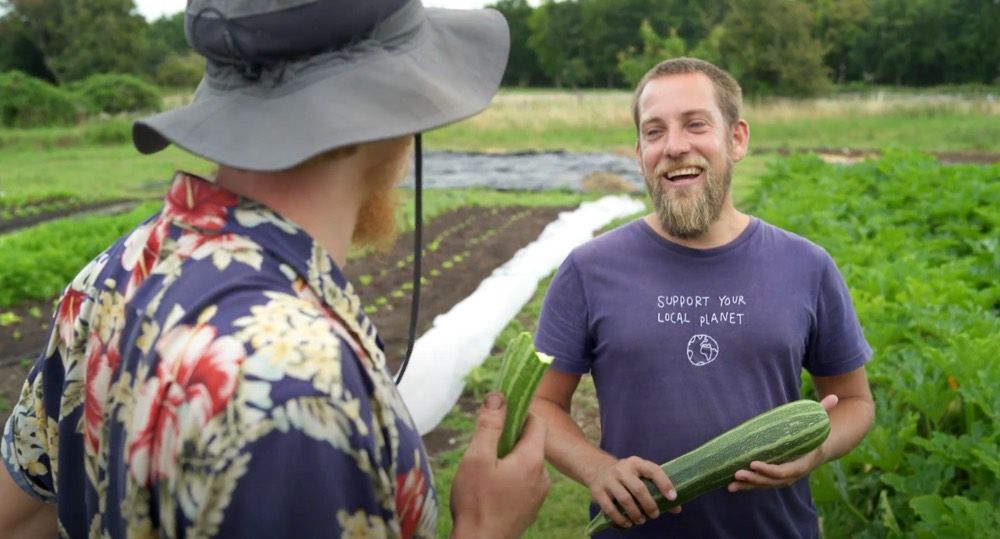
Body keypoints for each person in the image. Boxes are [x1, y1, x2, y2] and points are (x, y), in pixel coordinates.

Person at [0, 1, 550, 537]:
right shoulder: (298, 386)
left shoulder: (112, 275)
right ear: (384, 112)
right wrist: (486, 526)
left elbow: (19, 516)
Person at [530, 57, 874, 538]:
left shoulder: (807, 265)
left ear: (737, 139)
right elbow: (541, 404)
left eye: (695, 124)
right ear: (639, 151)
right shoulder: (589, 269)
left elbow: (856, 400)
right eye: (654, 131)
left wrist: (815, 450)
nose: (674, 146)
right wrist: (597, 469)